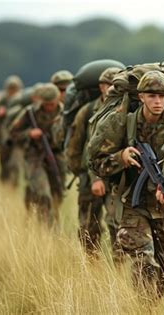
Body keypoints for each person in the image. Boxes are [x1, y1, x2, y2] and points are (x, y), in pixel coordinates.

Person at [89, 70, 164, 300]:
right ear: (140, 97)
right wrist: (121, 157)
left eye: (162, 95)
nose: (157, 101)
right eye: (151, 95)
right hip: (132, 204)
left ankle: (148, 307)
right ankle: (141, 306)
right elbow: (96, 162)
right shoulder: (122, 123)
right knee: (144, 262)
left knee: (161, 268)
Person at [66, 67, 122, 256]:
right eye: (110, 85)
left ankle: (119, 264)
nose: (113, 89)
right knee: (89, 223)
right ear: (101, 87)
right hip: (90, 174)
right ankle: (90, 262)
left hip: (116, 174)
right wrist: (85, 175)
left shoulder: (125, 110)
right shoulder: (88, 111)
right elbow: (77, 145)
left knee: (116, 222)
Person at [10, 84, 66, 227]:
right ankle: (47, 228)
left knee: (57, 193)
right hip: (35, 157)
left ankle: (53, 221)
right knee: (43, 193)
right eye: (46, 104)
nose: (49, 107)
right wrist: (29, 133)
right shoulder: (30, 113)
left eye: (52, 104)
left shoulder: (65, 113)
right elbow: (13, 133)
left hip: (57, 156)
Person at [0, 75, 25, 187]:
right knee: (4, 158)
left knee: (16, 162)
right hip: (5, 135)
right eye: (11, 88)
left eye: (15, 88)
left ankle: (14, 184)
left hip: (18, 134)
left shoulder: (23, 99)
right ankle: (4, 179)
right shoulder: (2, 100)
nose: (13, 91)